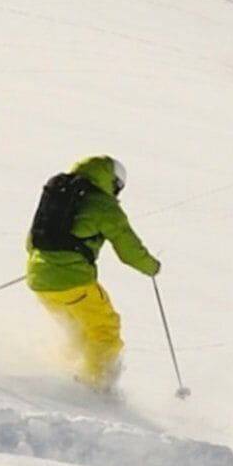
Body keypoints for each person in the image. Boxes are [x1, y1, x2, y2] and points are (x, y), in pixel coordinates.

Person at [25, 155, 160, 389]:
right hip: (73, 282)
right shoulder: (104, 206)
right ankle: (95, 386)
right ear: (111, 180)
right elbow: (129, 250)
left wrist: (47, 265)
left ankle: (62, 376)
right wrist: (151, 266)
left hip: (39, 279)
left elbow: (32, 239)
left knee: (76, 330)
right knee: (105, 328)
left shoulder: (58, 194)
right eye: (117, 187)